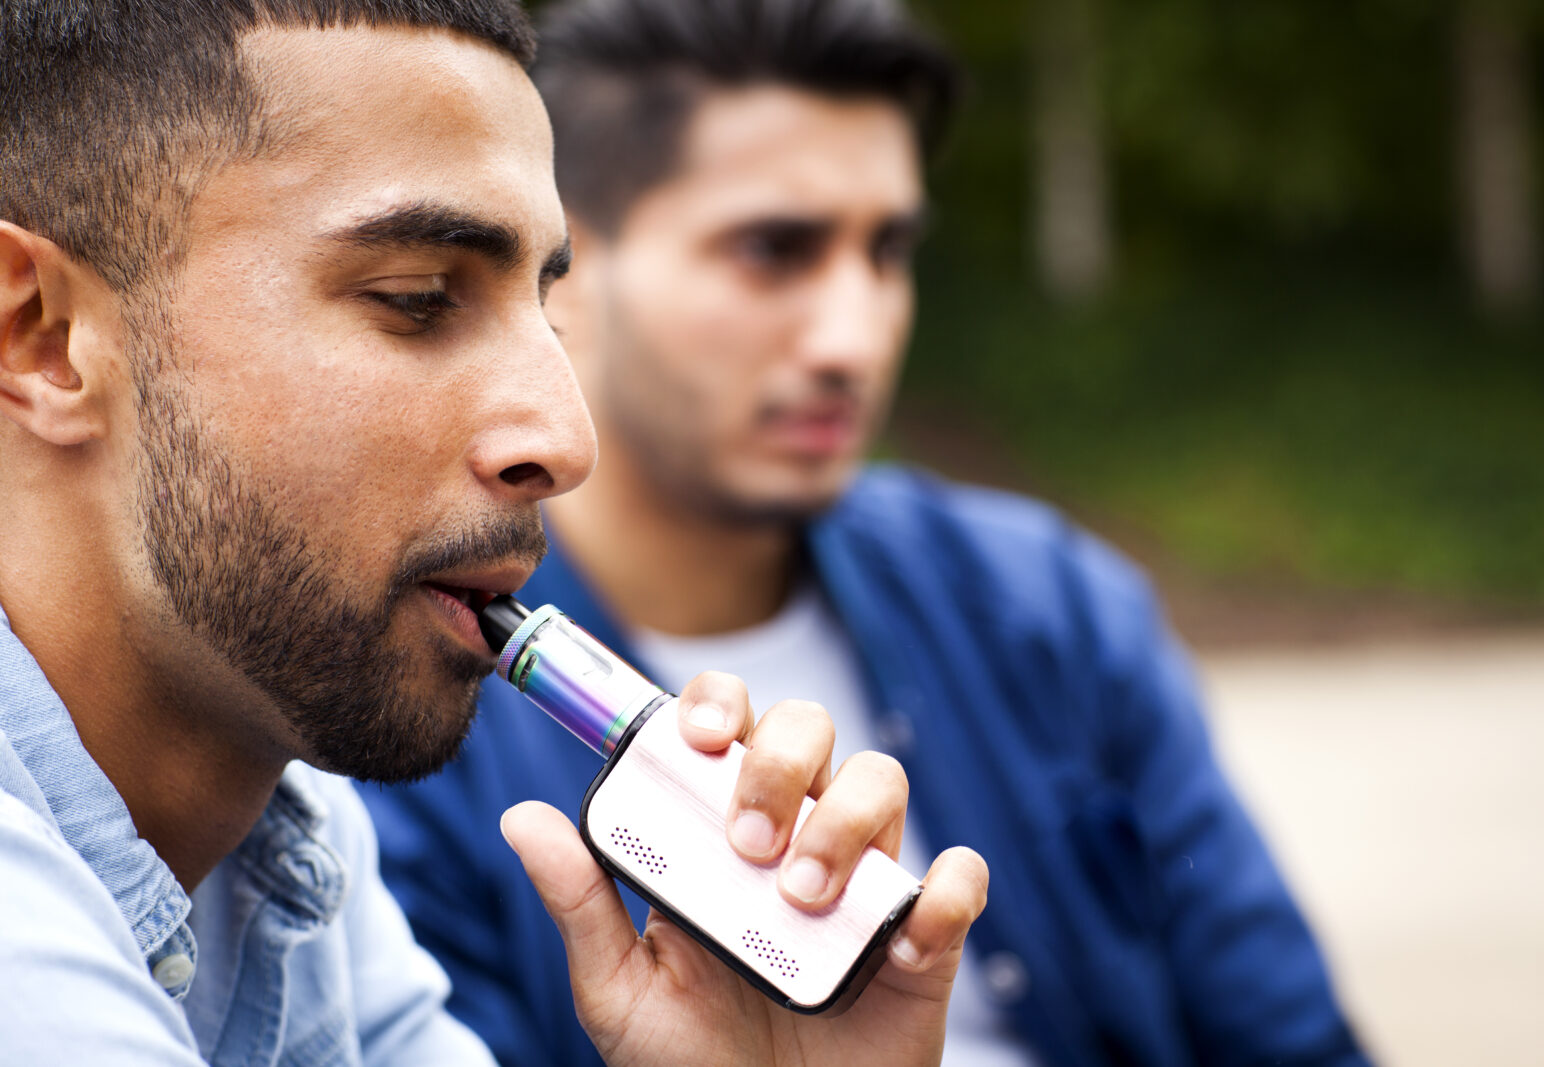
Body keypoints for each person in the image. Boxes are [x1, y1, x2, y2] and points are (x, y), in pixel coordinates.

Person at [357, 0, 1373, 1064]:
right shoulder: (405, 713)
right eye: (773, 249)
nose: (853, 335)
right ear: (568, 263)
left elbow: (1295, 1040)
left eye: (886, 251)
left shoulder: (1046, 604)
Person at [0, 3, 990, 1064]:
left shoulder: (293, 826)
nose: (566, 441)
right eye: (418, 299)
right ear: (44, 336)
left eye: (544, 309)